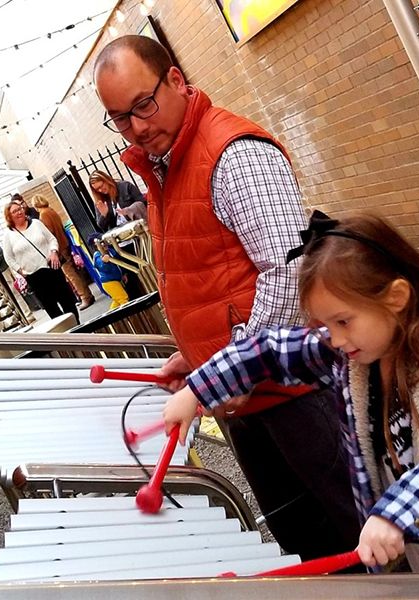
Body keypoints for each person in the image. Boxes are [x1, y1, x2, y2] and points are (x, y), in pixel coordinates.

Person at [94, 34, 360, 560]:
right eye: (121, 118)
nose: (138, 127)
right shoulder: (166, 167)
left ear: (175, 79)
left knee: (360, 534)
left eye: (143, 104)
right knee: (309, 546)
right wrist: (195, 358)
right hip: (242, 396)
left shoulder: (233, 154)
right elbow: (212, 277)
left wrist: (233, 368)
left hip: (296, 395)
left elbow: (289, 271)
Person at [163, 210, 419, 572]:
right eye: (327, 325)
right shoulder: (357, 353)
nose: (335, 338)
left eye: (343, 321)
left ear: (396, 297)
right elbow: (270, 350)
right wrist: (198, 389)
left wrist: (398, 511)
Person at [2, 200, 79, 323]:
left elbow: (52, 239)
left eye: (20, 209)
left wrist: (53, 252)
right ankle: (66, 332)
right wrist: (20, 270)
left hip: (51, 267)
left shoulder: (36, 223)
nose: (19, 212)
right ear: (9, 216)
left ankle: (78, 327)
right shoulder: (8, 234)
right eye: (14, 211)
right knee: (51, 307)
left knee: (67, 300)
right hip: (33, 275)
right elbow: (8, 257)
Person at [89, 170, 146, 301]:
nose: (101, 190)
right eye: (97, 189)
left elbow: (142, 203)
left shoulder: (125, 187)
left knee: (149, 268)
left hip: (139, 236)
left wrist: (128, 210)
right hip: (121, 243)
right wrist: (105, 214)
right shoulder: (101, 201)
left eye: (101, 185)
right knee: (132, 278)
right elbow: (102, 226)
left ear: (106, 179)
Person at [31, 195, 95, 311]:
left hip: (59, 248)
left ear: (35, 206)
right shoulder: (51, 210)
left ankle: (85, 296)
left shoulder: (43, 215)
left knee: (71, 274)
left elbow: (49, 233)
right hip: (64, 244)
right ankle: (87, 294)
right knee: (75, 271)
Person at [88, 233, 129, 310]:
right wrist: (104, 261)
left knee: (117, 300)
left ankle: (112, 317)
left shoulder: (110, 251)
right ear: (96, 246)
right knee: (123, 298)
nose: (104, 244)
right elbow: (101, 266)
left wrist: (123, 273)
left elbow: (119, 262)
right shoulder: (97, 255)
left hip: (116, 280)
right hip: (109, 282)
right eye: (101, 243)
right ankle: (130, 315)